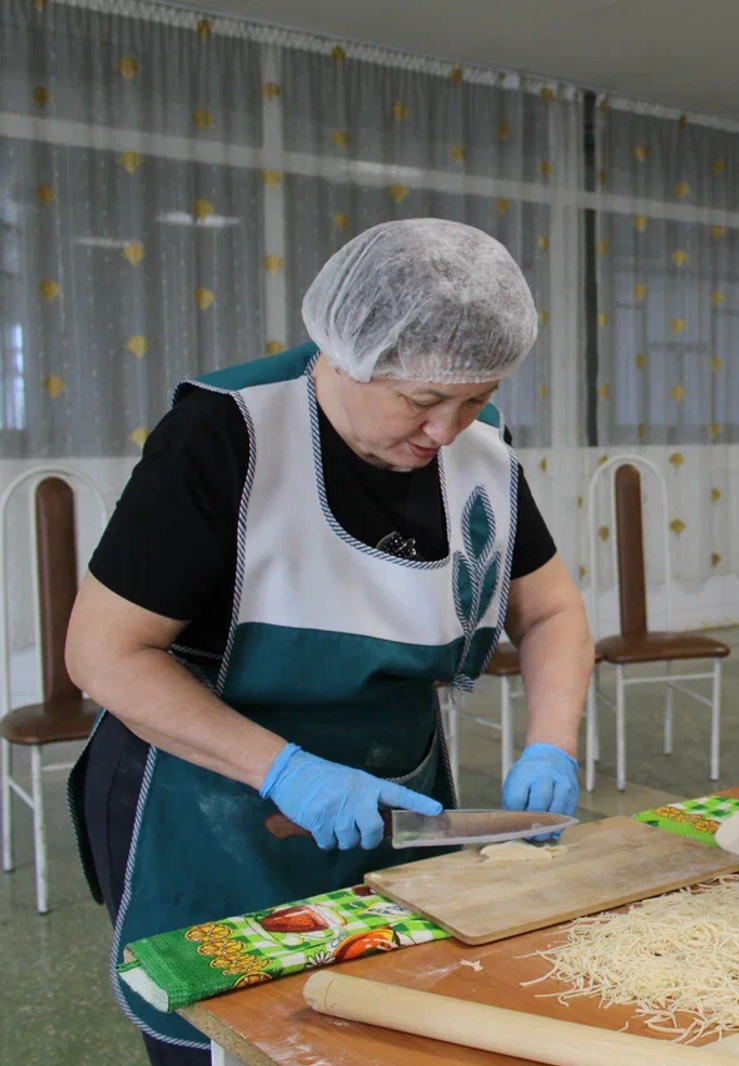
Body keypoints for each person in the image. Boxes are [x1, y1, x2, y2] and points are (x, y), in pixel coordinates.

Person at [65, 219, 593, 1064]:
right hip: (206, 796)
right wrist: (289, 773)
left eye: (475, 399)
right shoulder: (227, 435)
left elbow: (552, 613)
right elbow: (105, 654)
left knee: (388, 1022)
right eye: (422, 401)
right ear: (345, 353)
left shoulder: (479, 451)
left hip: (395, 793)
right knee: (239, 1033)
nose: (447, 431)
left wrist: (551, 745)